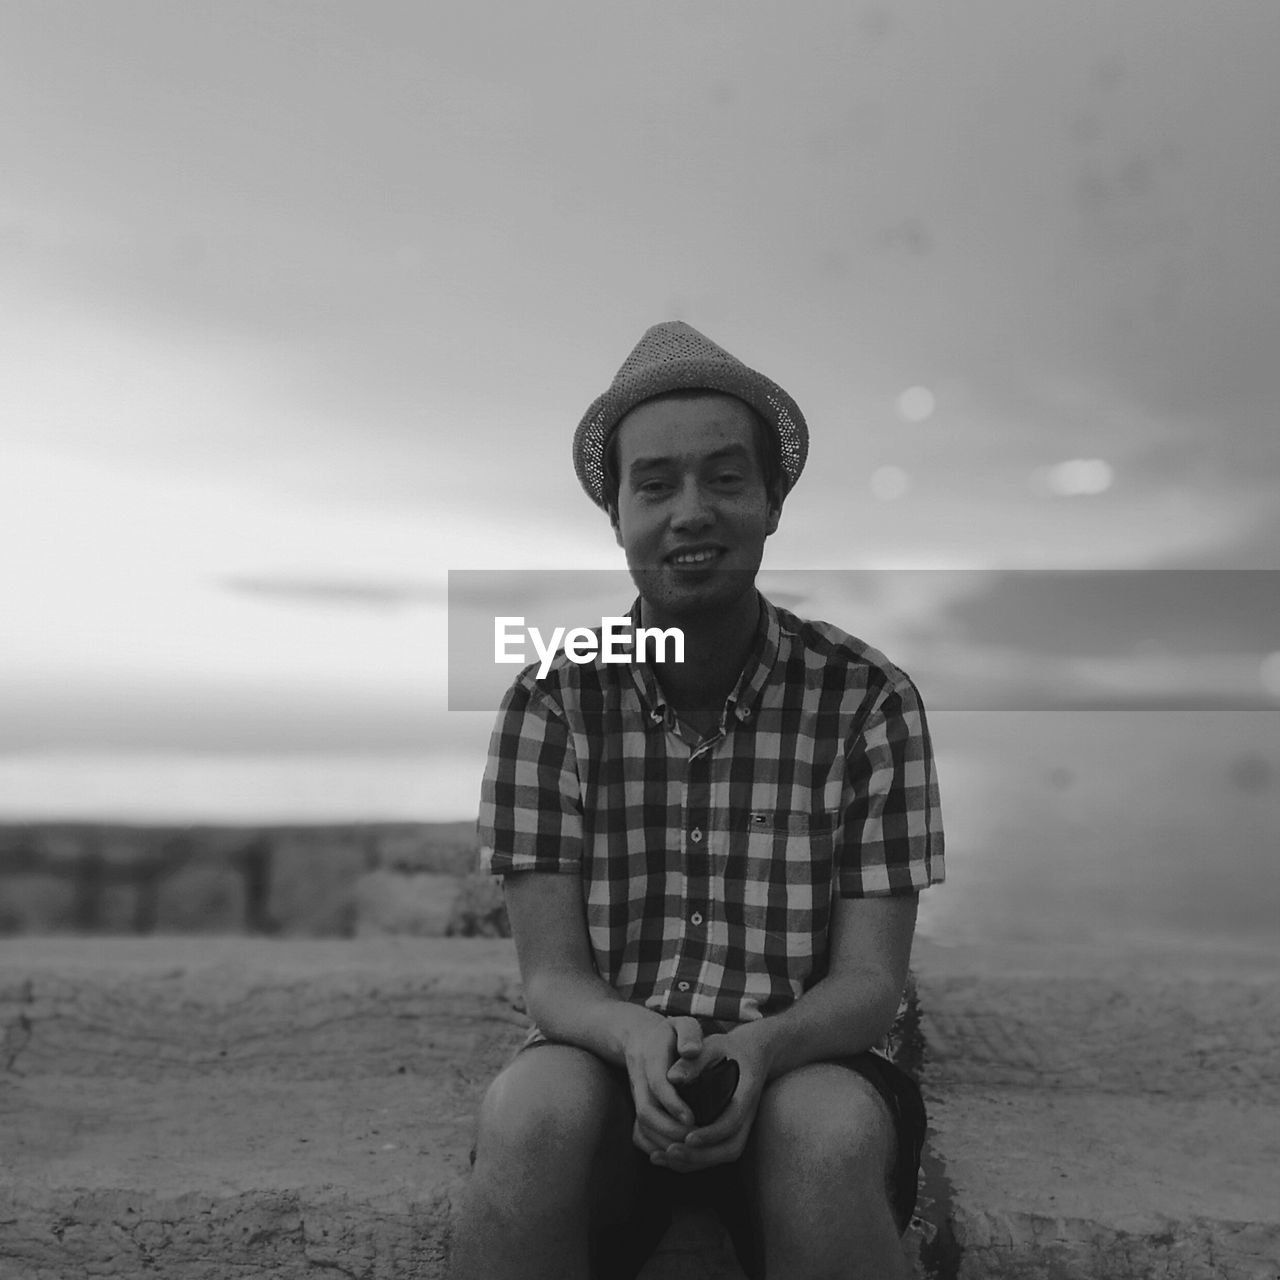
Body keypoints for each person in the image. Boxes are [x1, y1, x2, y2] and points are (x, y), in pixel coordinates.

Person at [451, 321, 945, 1280]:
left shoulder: (867, 700)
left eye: (726, 480)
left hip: (807, 1056)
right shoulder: (552, 700)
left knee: (825, 1134)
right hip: (606, 1055)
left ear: (771, 503)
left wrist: (762, 1047)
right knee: (529, 1114)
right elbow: (552, 979)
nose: (692, 512)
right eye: (656, 484)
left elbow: (869, 984)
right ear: (617, 515)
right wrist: (634, 1034)